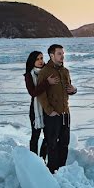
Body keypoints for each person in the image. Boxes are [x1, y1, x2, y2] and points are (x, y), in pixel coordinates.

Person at [36, 44, 77, 173]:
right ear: (52, 55)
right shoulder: (45, 72)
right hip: (52, 114)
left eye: (63, 53)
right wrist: (49, 111)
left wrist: (73, 90)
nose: (62, 56)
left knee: (64, 143)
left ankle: (61, 170)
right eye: (59, 54)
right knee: (52, 143)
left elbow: (68, 89)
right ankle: (52, 170)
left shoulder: (65, 71)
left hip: (65, 112)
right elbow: (40, 94)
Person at [23, 50, 57, 158]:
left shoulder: (48, 71)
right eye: (37, 59)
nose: (40, 61)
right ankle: (33, 161)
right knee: (35, 136)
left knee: (48, 137)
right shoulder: (29, 75)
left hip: (48, 109)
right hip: (35, 110)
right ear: (32, 61)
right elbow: (33, 92)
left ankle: (42, 159)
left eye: (41, 58)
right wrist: (47, 83)